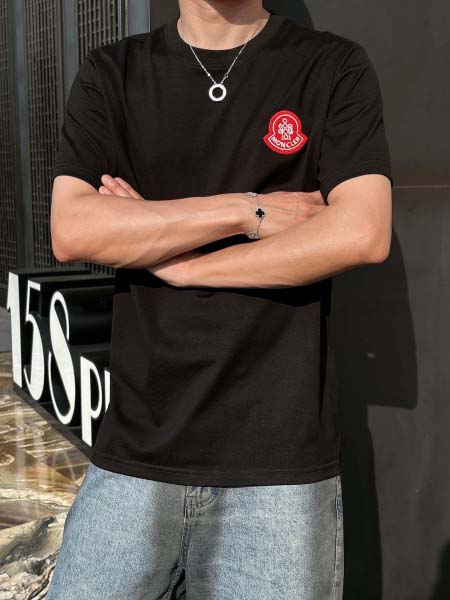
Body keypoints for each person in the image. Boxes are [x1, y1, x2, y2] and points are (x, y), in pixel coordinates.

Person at [47, 0, 393, 598]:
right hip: (134, 451)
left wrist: (182, 266)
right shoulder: (113, 72)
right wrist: (245, 211)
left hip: (279, 469)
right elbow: (74, 229)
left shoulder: (331, 66)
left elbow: (362, 232)